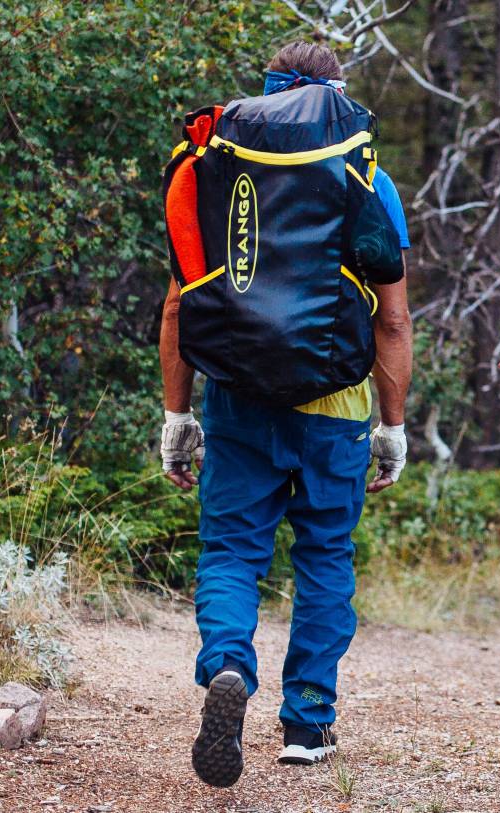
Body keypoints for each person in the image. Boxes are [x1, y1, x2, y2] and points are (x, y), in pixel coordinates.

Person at [158, 41, 413, 786]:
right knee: (325, 556)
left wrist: (179, 415)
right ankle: (307, 721)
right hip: (337, 404)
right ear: (336, 97)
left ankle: (229, 666)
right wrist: (392, 425)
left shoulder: (214, 170)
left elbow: (180, 301)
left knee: (233, 551)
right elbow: (392, 322)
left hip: (237, 395)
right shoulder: (367, 177)